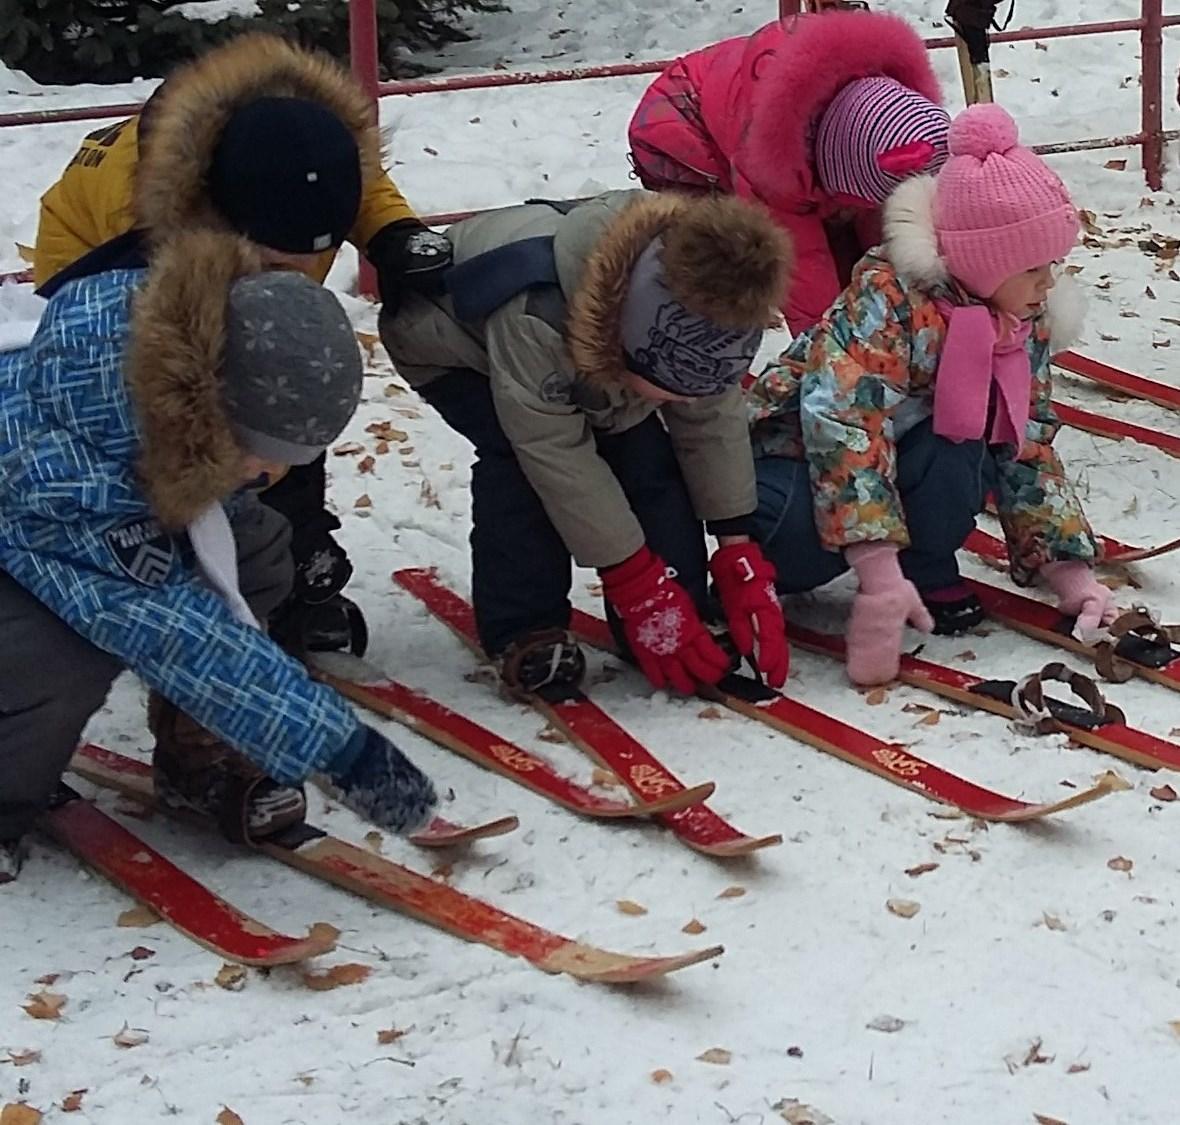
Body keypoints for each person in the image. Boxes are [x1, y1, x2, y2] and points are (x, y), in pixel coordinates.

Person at [0, 229, 438, 884]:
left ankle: (195, 752)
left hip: (73, 522)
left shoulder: (171, 357)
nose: (269, 470)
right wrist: (342, 750)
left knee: (253, 543)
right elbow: (177, 634)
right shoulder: (68, 469)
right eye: (263, 453)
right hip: (35, 520)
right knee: (65, 656)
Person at [32, 32, 454, 657]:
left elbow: (354, 178)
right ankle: (174, 581)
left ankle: (300, 562)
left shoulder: (310, 140)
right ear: (226, 214)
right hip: (104, 274)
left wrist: (391, 233)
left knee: (283, 402)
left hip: (227, 270)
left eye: (316, 254)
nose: (302, 271)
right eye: (281, 260)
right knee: (190, 433)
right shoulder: (150, 208)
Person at [745, 104, 1110, 688]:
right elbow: (843, 430)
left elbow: (1027, 442)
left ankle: (926, 561)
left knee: (961, 444)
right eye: (1035, 266)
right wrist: (876, 573)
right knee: (798, 547)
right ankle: (749, 573)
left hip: (903, 455)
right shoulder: (886, 302)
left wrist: (1071, 573)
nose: (1050, 282)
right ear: (984, 264)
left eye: (1055, 264)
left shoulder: (1019, 318)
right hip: (796, 458)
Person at [380, 190, 792, 699]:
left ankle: (679, 611)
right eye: (670, 392)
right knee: (523, 472)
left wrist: (738, 546)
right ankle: (525, 629)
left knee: (648, 461)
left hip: (592, 346)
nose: (680, 402)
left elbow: (710, 412)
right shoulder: (535, 312)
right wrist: (633, 581)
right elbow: (554, 453)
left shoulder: (700, 297)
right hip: (455, 345)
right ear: (627, 352)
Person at [627, 6, 950, 334]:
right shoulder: (776, 169)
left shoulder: (887, 117)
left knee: (848, 248)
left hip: (765, 117)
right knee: (733, 258)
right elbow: (802, 269)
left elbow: (879, 219)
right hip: (677, 129)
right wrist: (829, 348)